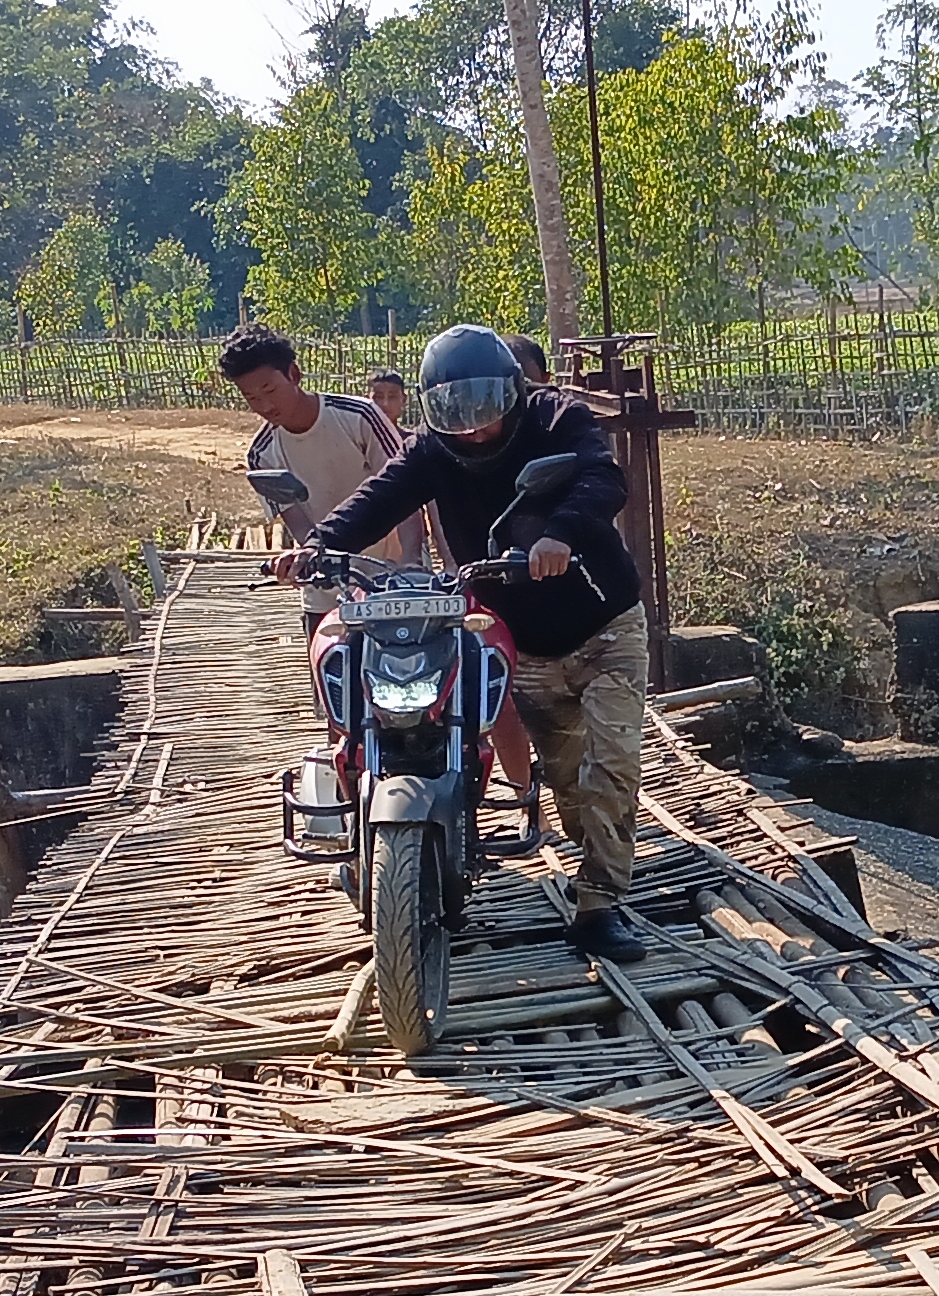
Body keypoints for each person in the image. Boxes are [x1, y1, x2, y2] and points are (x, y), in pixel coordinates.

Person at [284, 323, 651, 961]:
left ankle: (599, 907)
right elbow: (380, 495)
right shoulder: (435, 449)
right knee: (567, 776)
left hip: (604, 626)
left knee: (610, 763)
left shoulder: (556, 416)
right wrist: (321, 544)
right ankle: (581, 858)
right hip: (523, 641)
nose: (473, 426)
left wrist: (560, 532)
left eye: (486, 406)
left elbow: (603, 479)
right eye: (456, 411)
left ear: (513, 389)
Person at [217, 325, 419, 602]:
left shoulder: (360, 416)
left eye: (270, 390)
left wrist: (411, 563)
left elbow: (407, 490)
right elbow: (300, 526)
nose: (264, 406)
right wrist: (308, 561)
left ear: (294, 374)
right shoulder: (261, 454)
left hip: (391, 583)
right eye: (252, 398)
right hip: (328, 590)